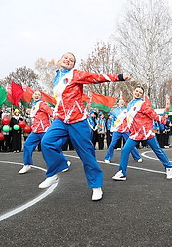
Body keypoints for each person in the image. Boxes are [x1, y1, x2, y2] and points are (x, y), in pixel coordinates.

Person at [39, 52, 130, 201]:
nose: (68, 60)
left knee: (86, 153)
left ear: (74, 65)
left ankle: (96, 186)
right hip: (61, 119)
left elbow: (96, 78)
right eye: (66, 58)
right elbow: (60, 99)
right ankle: (55, 171)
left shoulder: (76, 74)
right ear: (60, 60)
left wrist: (119, 76)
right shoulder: (56, 77)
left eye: (71, 60)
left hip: (77, 119)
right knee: (46, 142)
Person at [112, 86, 172, 181]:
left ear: (142, 95)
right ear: (133, 91)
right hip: (135, 133)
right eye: (136, 91)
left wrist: (165, 122)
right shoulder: (129, 105)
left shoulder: (143, 104)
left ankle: (169, 167)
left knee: (157, 150)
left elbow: (153, 114)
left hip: (146, 132)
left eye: (140, 92)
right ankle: (122, 173)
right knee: (125, 150)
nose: (137, 93)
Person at [18, 90, 54, 174]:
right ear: (33, 95)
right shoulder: (33, 105)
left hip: (44, 130)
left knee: (50, 148)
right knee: (27, 145)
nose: (36, 95)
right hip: (35, 131)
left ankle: (63, 162)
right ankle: (27, 164)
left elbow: (51, 112)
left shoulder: (42, 104)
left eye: (38, 94)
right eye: (35, 94)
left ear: (41, 96)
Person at [104, 99, 142, 163]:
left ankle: (137, 157)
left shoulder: (127, 110)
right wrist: (111, 130)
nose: (122, 102)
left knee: (130, 144)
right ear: (118, 103)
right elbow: (113, 121)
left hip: (125, 130)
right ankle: (107, 157)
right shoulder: (115, 111)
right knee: (112, 144)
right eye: (120, 101)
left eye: (122, 101)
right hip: (117, 130)